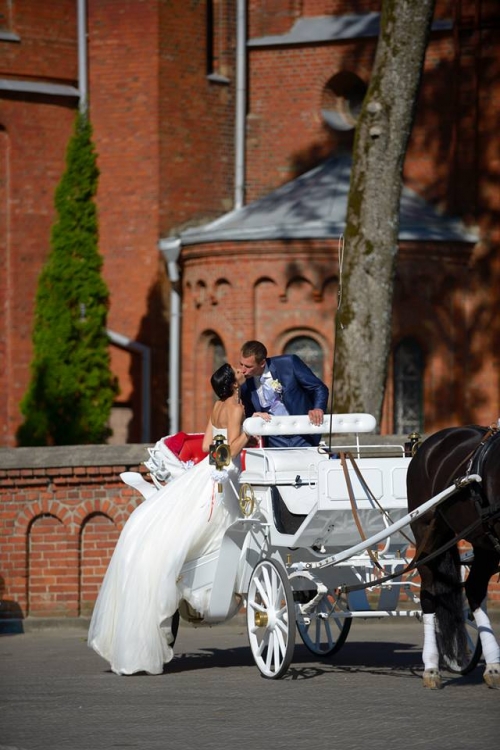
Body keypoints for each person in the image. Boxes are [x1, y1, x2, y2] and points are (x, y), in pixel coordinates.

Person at [88, 363, 250, 675]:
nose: (241, 375)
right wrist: (249, 434)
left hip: (205, 472)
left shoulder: (217, 406)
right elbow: (228, 450)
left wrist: (218, 458)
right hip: (218, 477)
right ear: (232, 384)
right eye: (238, 373)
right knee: (212, 527)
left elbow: (206, 446)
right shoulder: (234, 408)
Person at [239, 340, 329, 447]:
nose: (243, 370)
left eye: (248, 367)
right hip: (272, 438)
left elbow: (319, 387)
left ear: (262, 363)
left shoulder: (289, 363)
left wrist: (318, 408)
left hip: (302, 433)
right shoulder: (245, 385)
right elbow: (249, 412)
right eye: (241, 364)